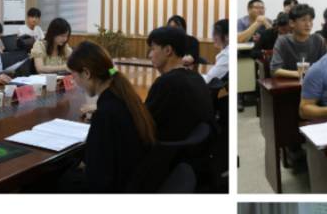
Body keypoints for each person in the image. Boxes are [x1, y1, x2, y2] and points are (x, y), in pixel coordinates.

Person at [59, 40, 155, 192]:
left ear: (87, 73)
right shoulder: (125, 96)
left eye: (74, 75)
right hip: (135, 181)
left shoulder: (105, 114)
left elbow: (96, 177)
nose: (74, 81)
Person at [145, 26, 214, 142]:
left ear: (168, 50)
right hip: (195, 147)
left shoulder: (166, 83)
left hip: (166, 147)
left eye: (153, 49)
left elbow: (143, 120)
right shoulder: (196, 77)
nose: (149, 55)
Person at [271, 4, 327, 79]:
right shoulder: (283, 41)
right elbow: (275, 70)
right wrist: (300, 74)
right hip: (288, 83)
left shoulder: (318, 40)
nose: (308, 24)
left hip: (314, 83)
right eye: (303, 20)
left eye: (310, 20)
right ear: (292, 23)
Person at [203, 19, 229, 84]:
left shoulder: (226, 55)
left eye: (216, 34)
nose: (213, 37)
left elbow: (209, 79)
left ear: (227, 36)